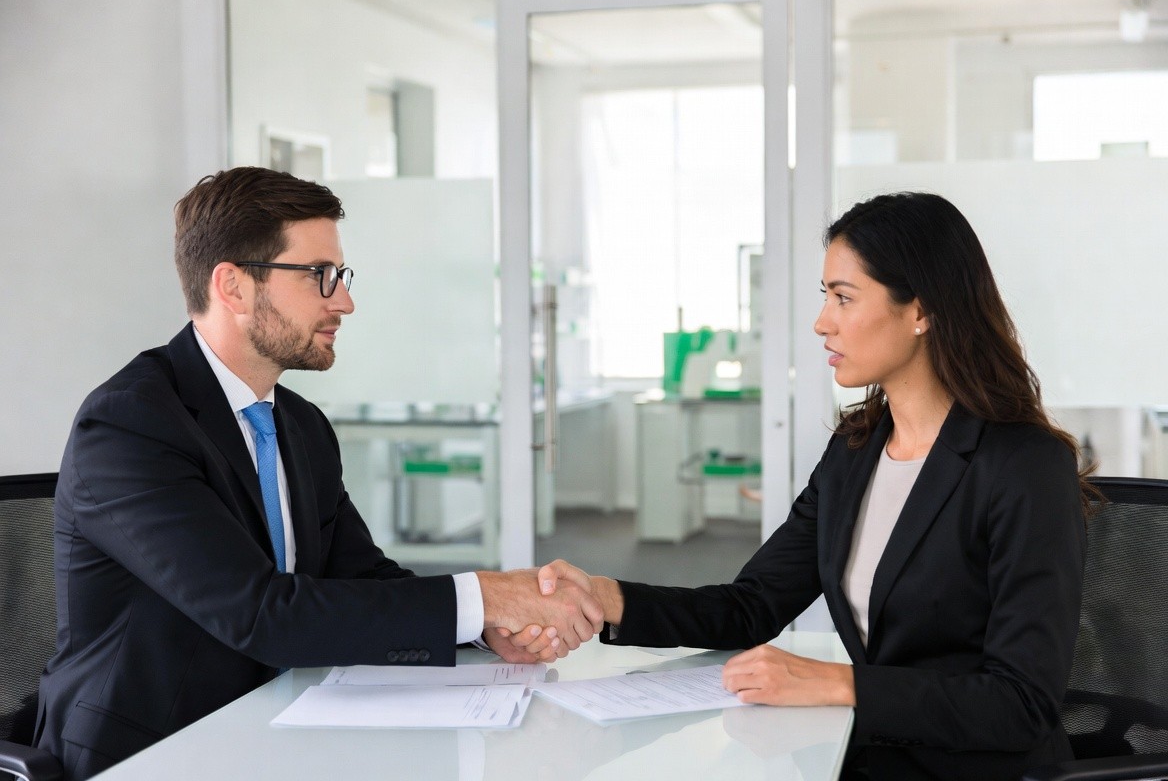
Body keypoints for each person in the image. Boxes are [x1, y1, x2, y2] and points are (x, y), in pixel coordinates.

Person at [35, 166, 597, 781]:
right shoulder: (131, 426)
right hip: (156, 751)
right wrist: (485, 594)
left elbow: (362, 578)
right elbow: (260, 614)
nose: (345, 301)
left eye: (342, 276)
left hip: (280, 726)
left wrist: (486, 628)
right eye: (319, 276)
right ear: (233, 286)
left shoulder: (299, 424)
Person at [538, 192, 1091, 781]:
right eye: (825, 295)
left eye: (844, 298)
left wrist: (837, 682)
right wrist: (607, 598)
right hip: (863, 754)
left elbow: (1020, 705)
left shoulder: (1023, 466)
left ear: (921, 312)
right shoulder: (856, 450)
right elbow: (750, 606)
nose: (822, 321)